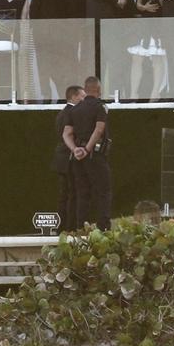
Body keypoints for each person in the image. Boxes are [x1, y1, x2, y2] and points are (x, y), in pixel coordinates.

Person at [63, 76, 112, 231]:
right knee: (103, 190)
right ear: (98, 90)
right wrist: (87, 149)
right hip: (94, 155)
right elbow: (99, 129)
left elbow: (67, 133)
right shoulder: (100, 107)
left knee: (82, 192)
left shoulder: (75, 108)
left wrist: (75, 149)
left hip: (78, 158)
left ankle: (80, 228)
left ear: (86, 89)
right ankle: (103, 227)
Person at [52, 86, 84, 232]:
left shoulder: (61, 113)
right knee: (73, 194)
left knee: (63, 194)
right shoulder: (73, 113)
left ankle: (61, 226)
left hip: (61, 159)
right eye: (82, 96)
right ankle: (70, 227)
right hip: (69, 159)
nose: (84, 99)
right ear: (74, 97)